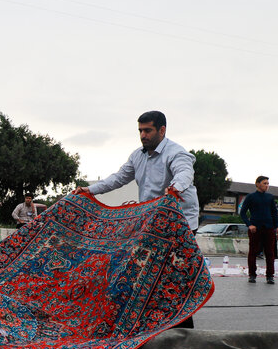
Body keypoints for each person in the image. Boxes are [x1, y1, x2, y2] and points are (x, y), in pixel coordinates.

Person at [75, 110, 199, 326]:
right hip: (152, 224)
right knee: (147, 274)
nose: (143, 135)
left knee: (175, 276)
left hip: (181, 224)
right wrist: (90, 190)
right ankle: (152, 323)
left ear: (162, 130)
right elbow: (119, 178)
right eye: (140, 131)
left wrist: (174, 189)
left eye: (148, 130)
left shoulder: (177, 153)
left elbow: (185, 174)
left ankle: (184, 328)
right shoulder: (137, 156)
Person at [239, 176, 278, 284]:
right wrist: (249, 225)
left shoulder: (270, 197)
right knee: (253, 252)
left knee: (270, 253)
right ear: (257, 184)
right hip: (255, 228)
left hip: (269, 228)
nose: (267, 185)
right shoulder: (250, 197)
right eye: (264, 183)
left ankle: (270, 276)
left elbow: (274, 213)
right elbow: (242, 213)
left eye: (268, 183)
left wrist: (277, 227)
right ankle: (252, 275)